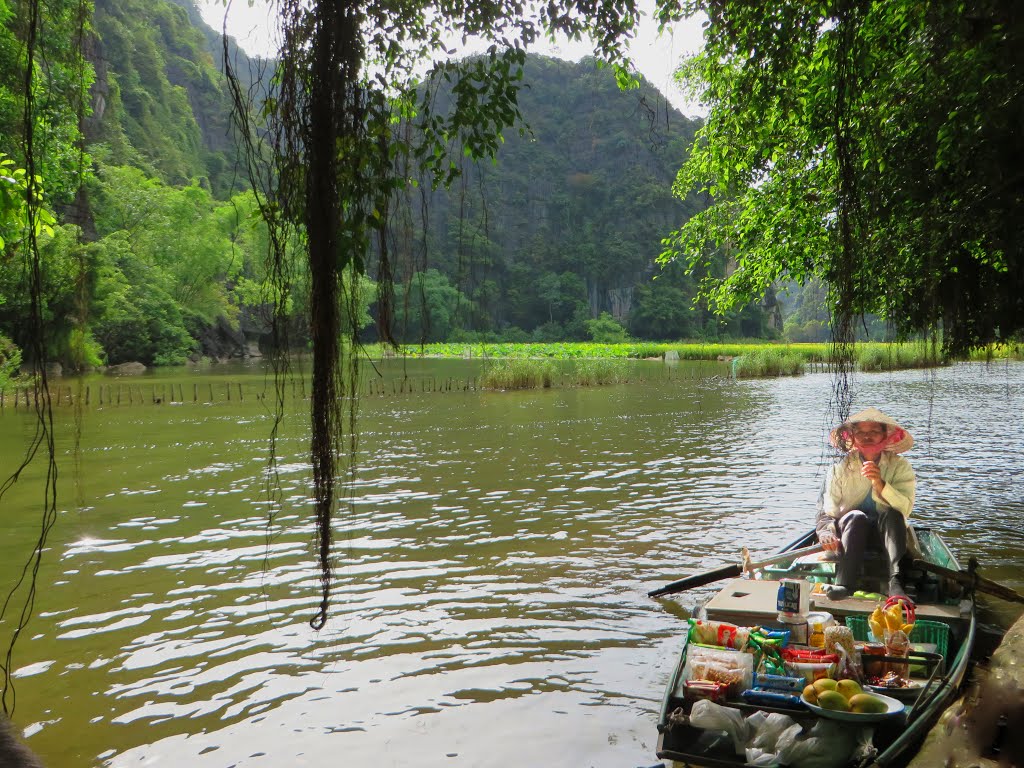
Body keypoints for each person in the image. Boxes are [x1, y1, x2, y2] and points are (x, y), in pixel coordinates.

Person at [815, 407, 916, 600]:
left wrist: (879, 484)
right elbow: (830, 509)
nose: (866, 437)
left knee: (893, 514)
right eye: (860, 432)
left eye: (873, 432)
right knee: (856, 517)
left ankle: (896, 583)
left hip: (887, 537)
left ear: (885, 436)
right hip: (850, 535)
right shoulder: (841, 468)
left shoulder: (900, 467)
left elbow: (905, 508)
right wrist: (827, 532)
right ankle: (844, 584)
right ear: (853, 437)